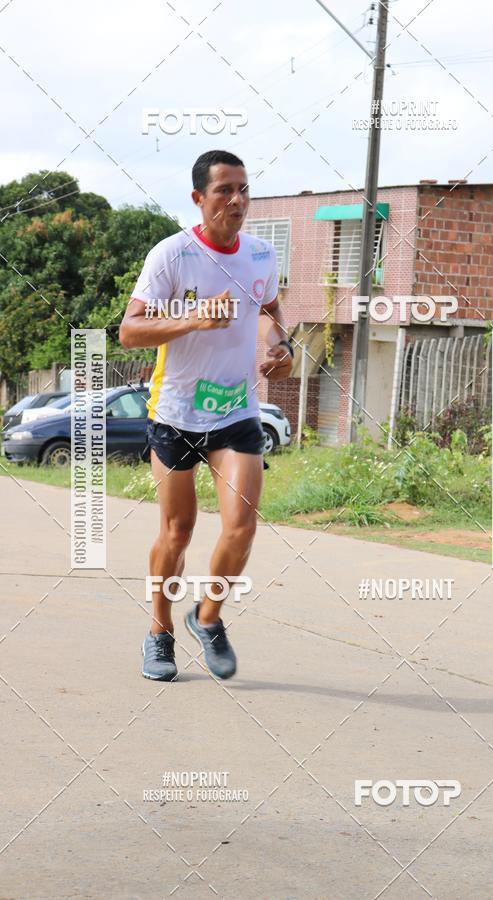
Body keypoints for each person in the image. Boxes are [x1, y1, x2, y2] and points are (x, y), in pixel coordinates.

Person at [119, 149, 292, 682]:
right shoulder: (171, 256)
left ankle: (208, 616)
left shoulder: (262, 255)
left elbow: (268, 312)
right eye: (224, 190)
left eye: (243, 189)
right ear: (199, 198)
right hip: (175, 412)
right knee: (178, 531)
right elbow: (130, 330)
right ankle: (158, 632)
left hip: (236, 411)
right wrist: (193, 318)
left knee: (241, 527)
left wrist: (279, 347)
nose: (237, 200)